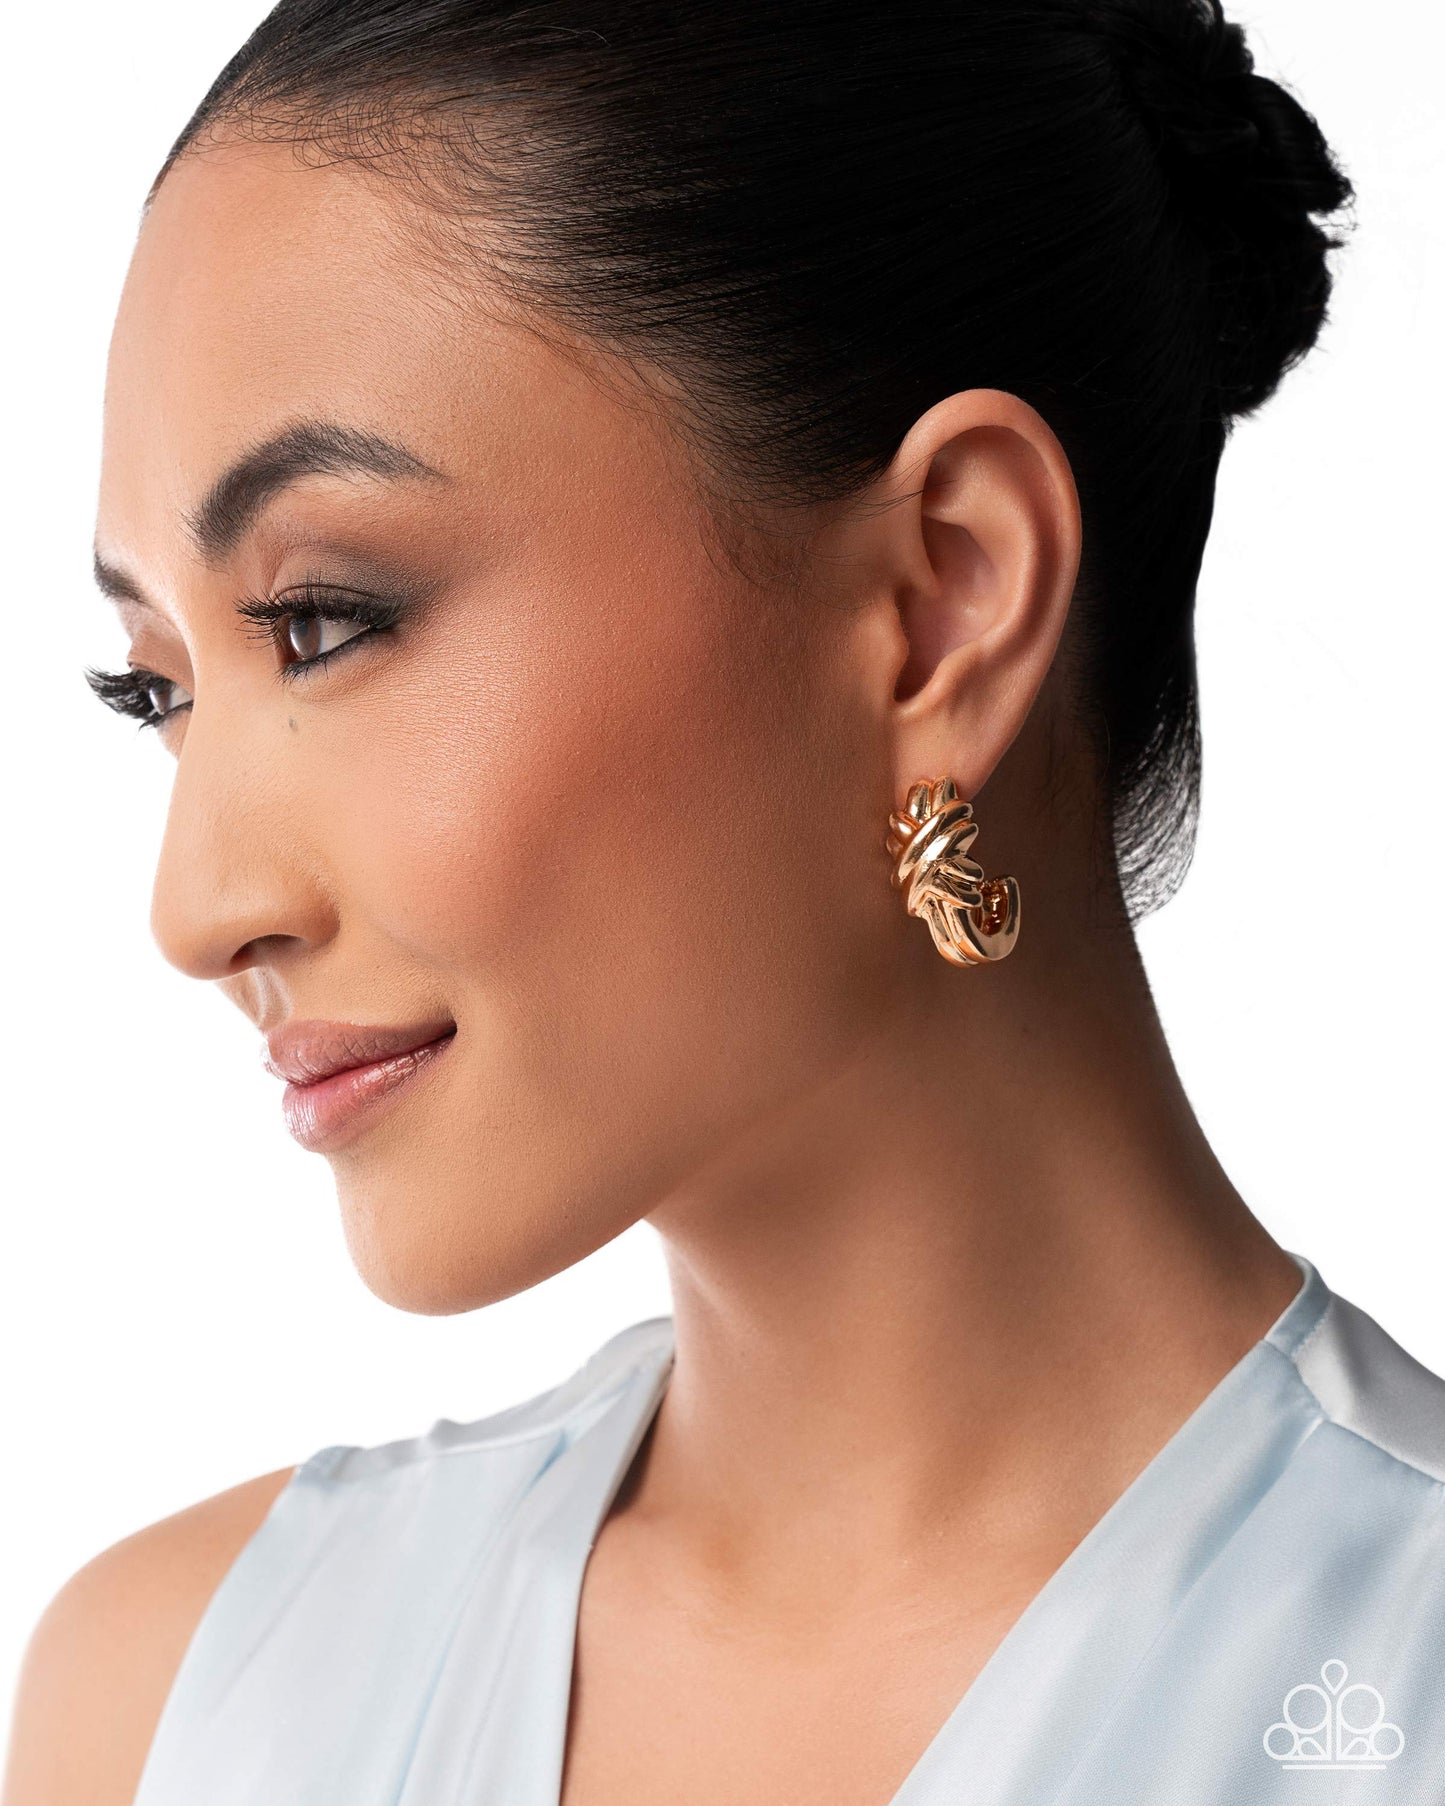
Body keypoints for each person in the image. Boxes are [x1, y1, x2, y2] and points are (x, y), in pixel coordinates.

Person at [6, 1, 1443, 1802]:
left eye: (323, 621)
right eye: (156, 688)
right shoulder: (169, 1710)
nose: (195, 907)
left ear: (939, 599)